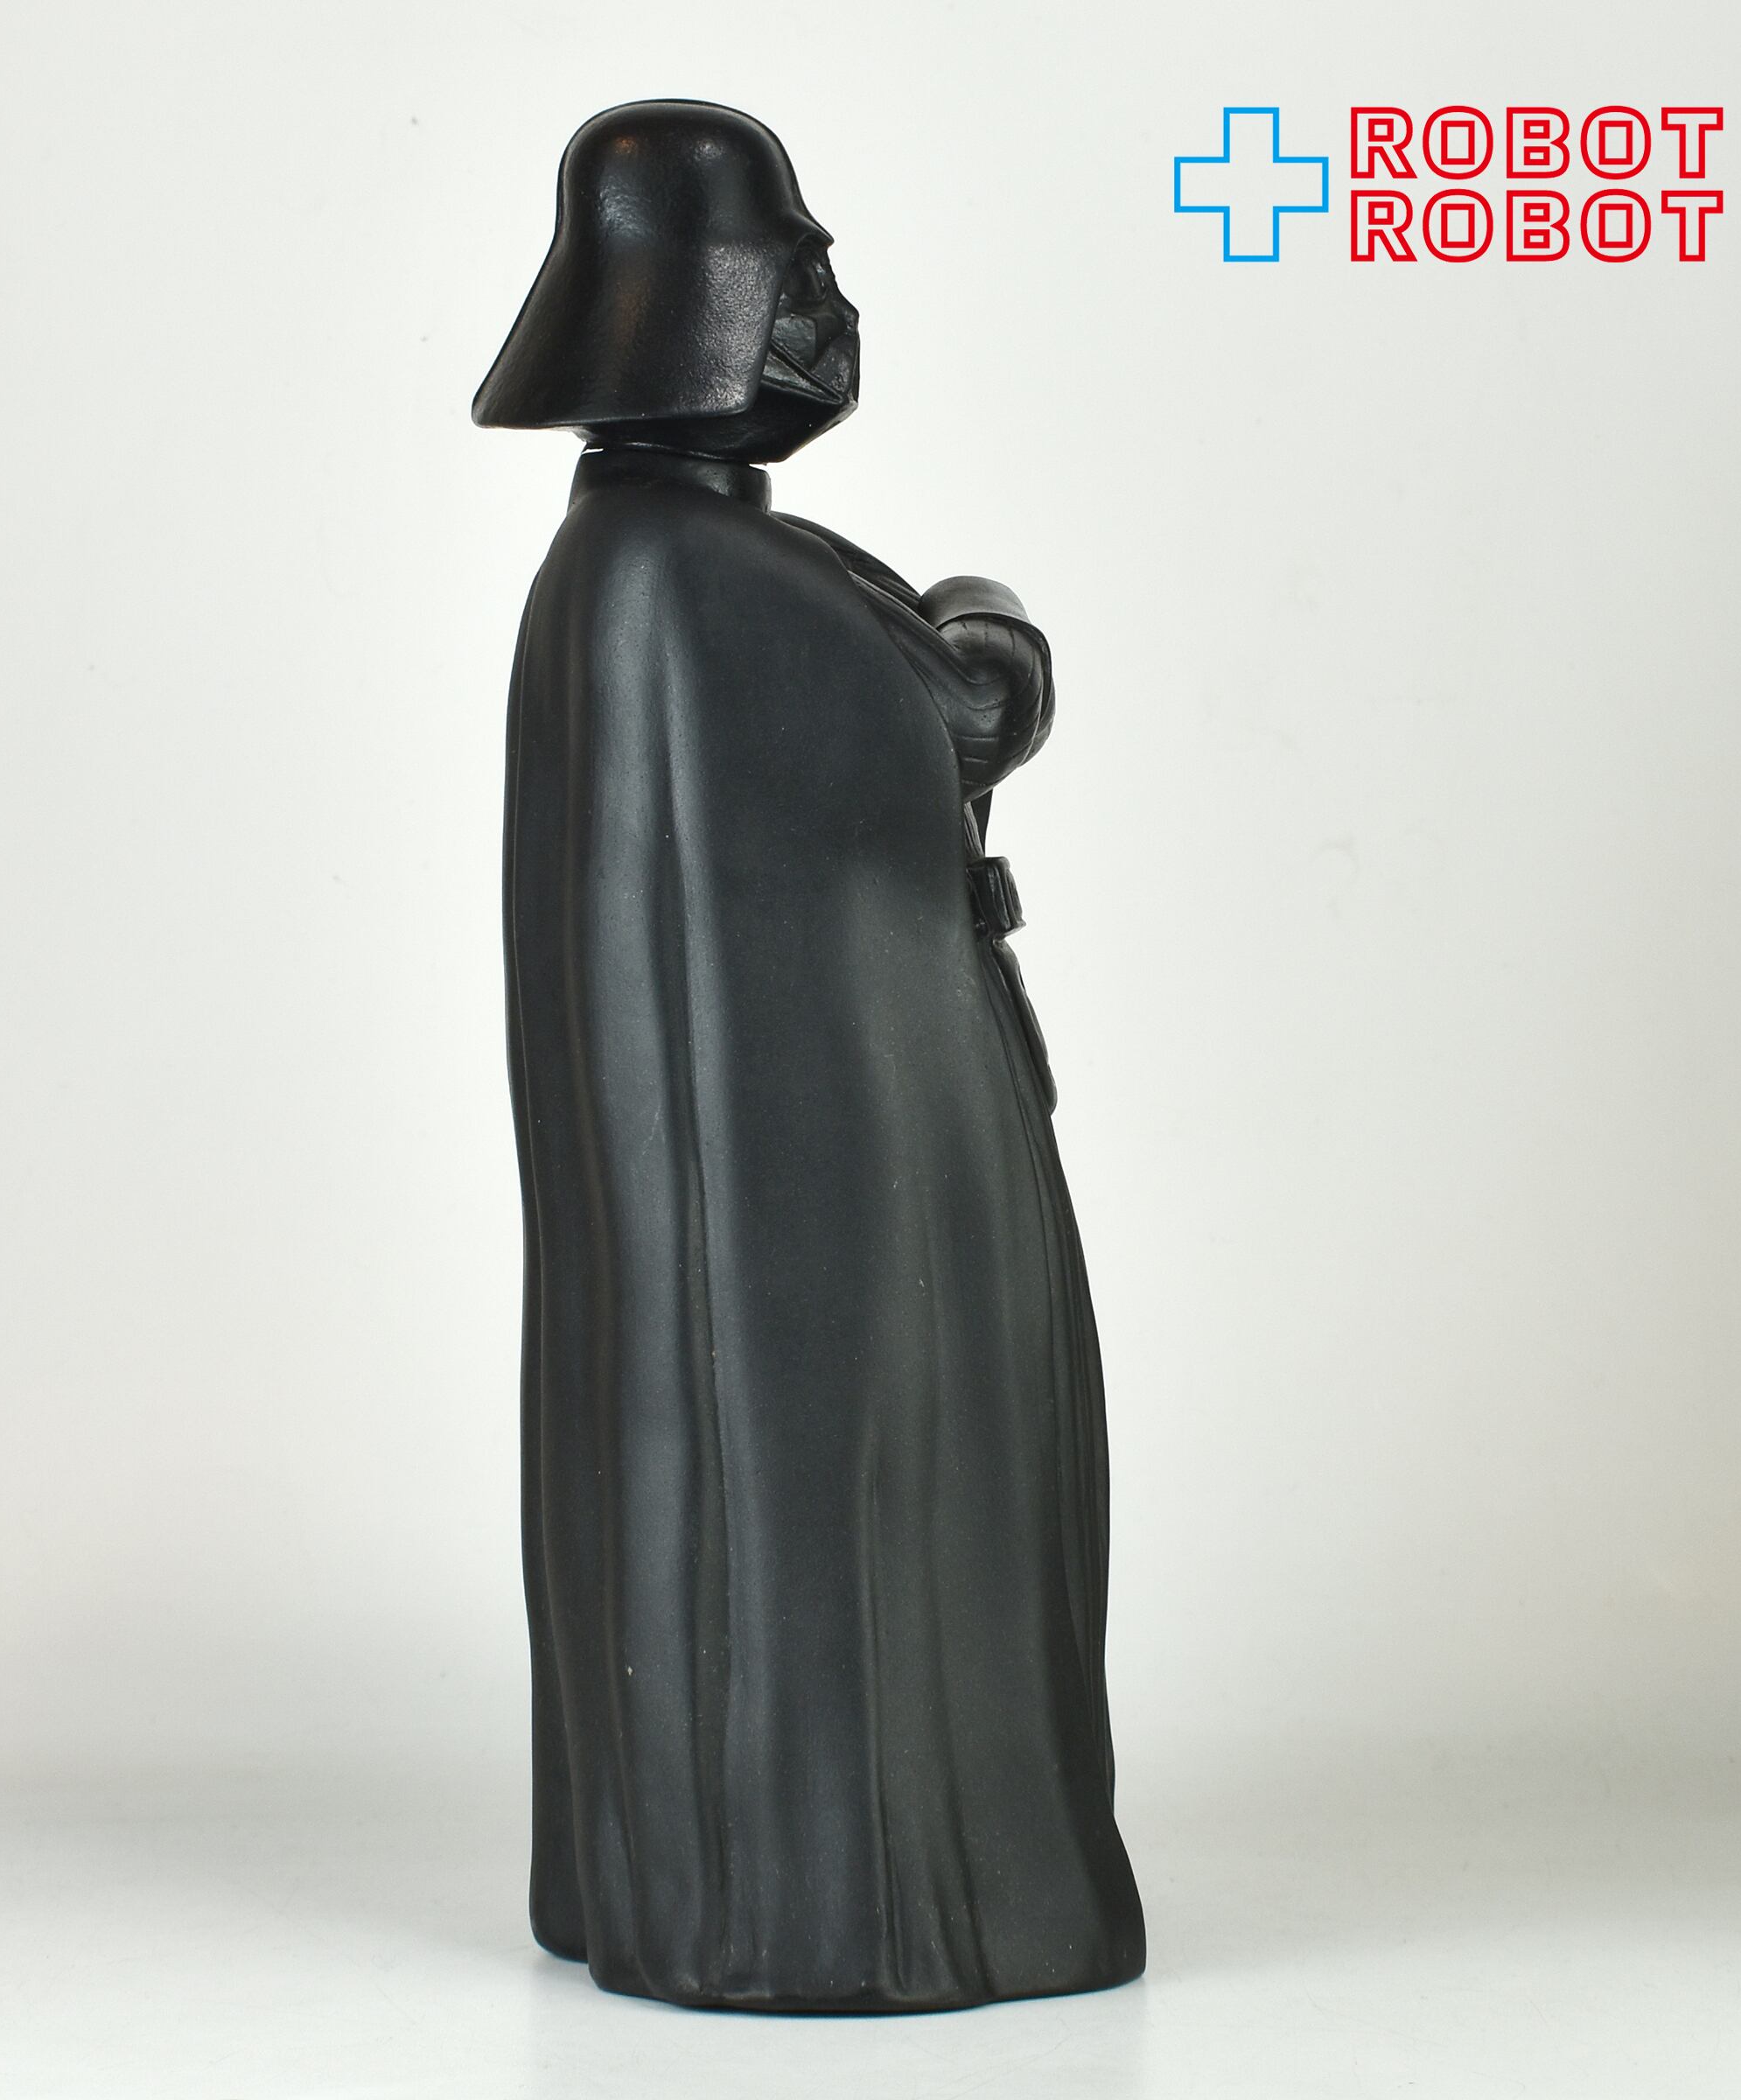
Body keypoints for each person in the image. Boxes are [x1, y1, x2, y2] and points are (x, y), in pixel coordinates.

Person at [476, 99, 1144, 2011]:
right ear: (693, 307)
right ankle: (842, 1908)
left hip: (808, 1170)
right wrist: (988, 619)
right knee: (819, 1511)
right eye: (795, 274)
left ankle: (695, 1877)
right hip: (814, 1211)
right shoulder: (697, 579)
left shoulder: (645, 569)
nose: (827, 317)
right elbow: (967, 713)